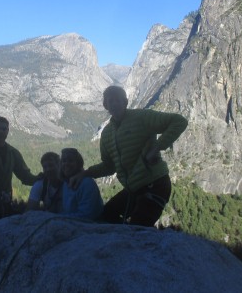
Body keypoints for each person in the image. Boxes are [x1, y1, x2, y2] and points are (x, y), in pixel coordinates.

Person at [70, 85, 188, 226]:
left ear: (125, 102)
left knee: (138, 227)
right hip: (134, 188)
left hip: (155, 184)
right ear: (105, 105)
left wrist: (157, 147)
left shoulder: (142, 117)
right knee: (107, 215)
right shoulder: (106, 134)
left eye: (118, 100)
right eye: (110, 101)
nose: (114, 103)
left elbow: (179, 121)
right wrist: (85, 174)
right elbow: (109, 166)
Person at [60, 148, 103, 220]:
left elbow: (86, 215)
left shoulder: (87, 184)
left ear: (78, 164)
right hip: (71, 223)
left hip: (92, 225)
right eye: (64, 161)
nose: (66, 164)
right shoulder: (65, 183)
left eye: (70, 160)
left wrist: (60, 218)